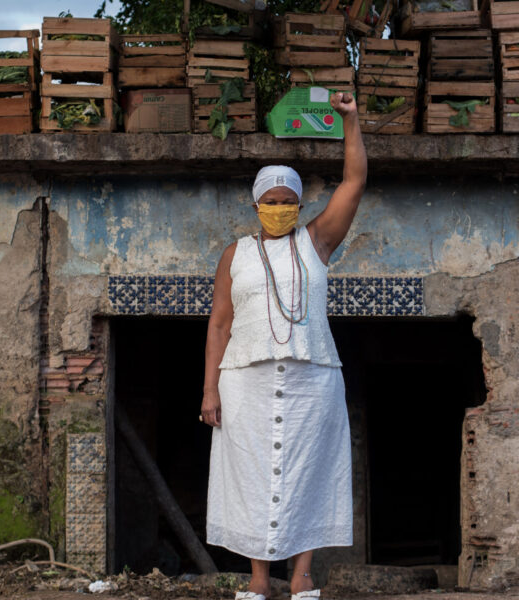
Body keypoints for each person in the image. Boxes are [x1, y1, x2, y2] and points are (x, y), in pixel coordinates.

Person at [200, 90, 367, 600]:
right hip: (244, 380)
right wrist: (210, 390)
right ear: (256, 205)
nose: (278, 209)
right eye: (270, 203)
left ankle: (301, 576)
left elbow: (355, 181)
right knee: (250, 472)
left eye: (287, 202)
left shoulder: (316, 241)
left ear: (300, 205)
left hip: (311, 376)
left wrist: (351, 120)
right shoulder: (236, 253)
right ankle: (258, 579)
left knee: (308, 471)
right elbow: (219, 324)